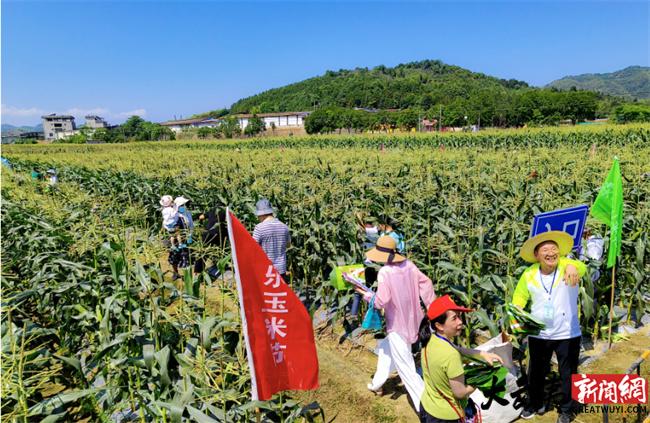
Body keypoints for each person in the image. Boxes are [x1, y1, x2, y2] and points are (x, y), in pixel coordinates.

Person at [355, 235, 435, 411]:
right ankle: (377, 385)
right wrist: (431, 307)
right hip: (415, 321)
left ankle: (427, 408)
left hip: (397, 326)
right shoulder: (409, 265)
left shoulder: (385, 272)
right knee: (386, 349)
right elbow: (427, 283)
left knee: (406, 369)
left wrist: (365, 294)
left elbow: (381, 302)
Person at [513, 231, 586, 423]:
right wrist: (517, 312)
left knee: (568, 373)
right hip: (539, 333)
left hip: (567, 333)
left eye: (554, 249)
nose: (551, 253)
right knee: (536, 372)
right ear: (537, 255)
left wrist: (572, 265)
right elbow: (519, 297)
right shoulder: (529, 274)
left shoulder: (567, 266)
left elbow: (582, 268)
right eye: (545, 250)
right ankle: (535, 403)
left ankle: (567, 410)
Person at [418, 294, 502, 423]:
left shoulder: (431, 339)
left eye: (459, 316)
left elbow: (458, 349)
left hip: (427, 406)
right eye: (454, 318)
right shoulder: (451, 355)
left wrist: (482, 354)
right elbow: (460, 393)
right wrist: (481, 380)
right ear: (439, 325)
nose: (460, 321)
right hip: (445, 416)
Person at [252, 198, 291, 280]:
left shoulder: (259, 228)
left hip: (266, 269)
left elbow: (253, 248)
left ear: (261, 214)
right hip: (281, 269)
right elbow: (288, 245)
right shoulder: (284, 227)